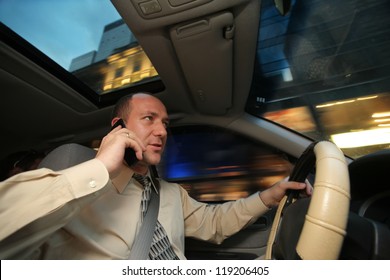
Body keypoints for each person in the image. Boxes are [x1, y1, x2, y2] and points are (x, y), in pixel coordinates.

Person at [0, 92, 311, 260]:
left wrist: (270, 196)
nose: (162, 131)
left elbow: (214, 223)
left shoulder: (171, 193)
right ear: (117, 127)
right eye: (149, 119)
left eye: (165, 124)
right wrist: (100, 168)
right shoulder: (72, 188)